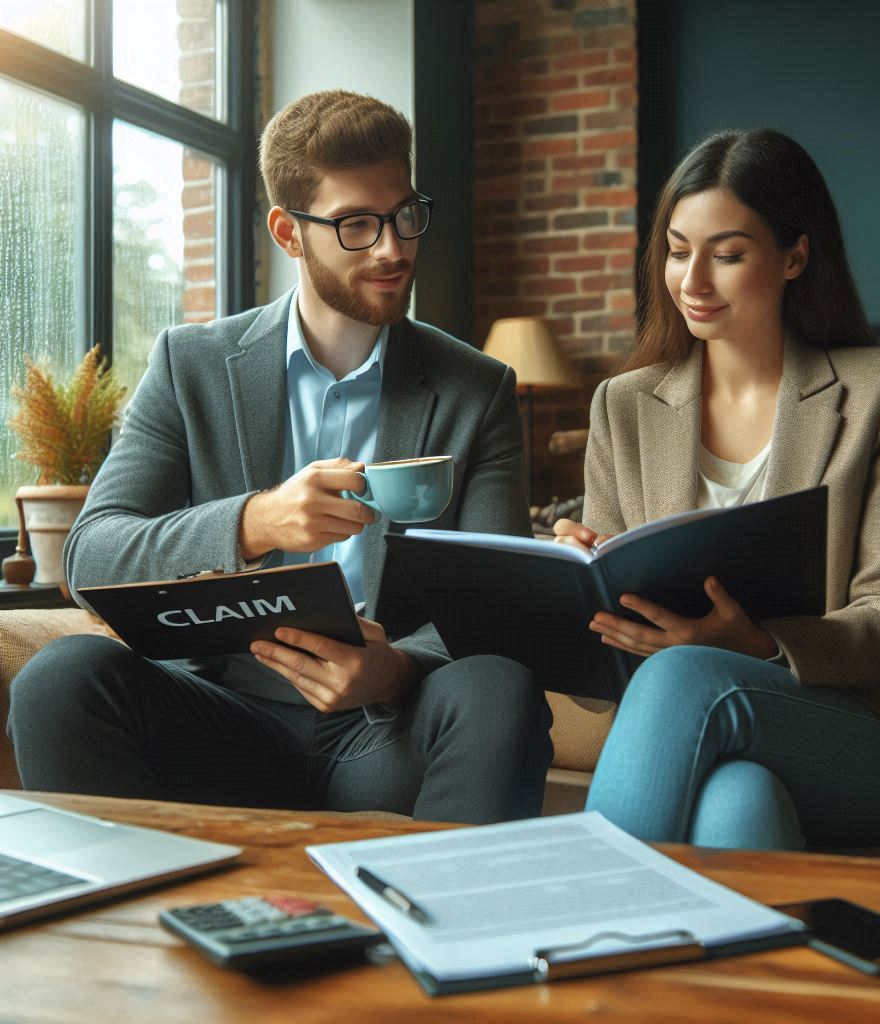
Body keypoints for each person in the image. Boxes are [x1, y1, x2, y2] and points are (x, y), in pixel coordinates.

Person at [8, 89, 552, 823]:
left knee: (495, 685)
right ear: (288, 233)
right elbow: (92, 556)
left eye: (404, 216)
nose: (393, 247)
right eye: (357, 224)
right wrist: (255, 522)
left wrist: (393, 669)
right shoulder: (189, 364)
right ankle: (126, 925)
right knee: (60, 677)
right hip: (220, 721)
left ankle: (444, 928)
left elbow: (505, 609)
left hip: (381, 733)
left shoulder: (476, 390)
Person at [554, 129, 880, 850]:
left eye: (727, 255)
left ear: (795, 256)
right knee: (737, 804)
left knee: (690, 676)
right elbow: (602, 679)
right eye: (676, 249)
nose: (692, 280)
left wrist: (761, 644)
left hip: (866, 733)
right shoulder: (623, 407)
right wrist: (580, 591)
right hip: (715, 730)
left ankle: (571, 916)